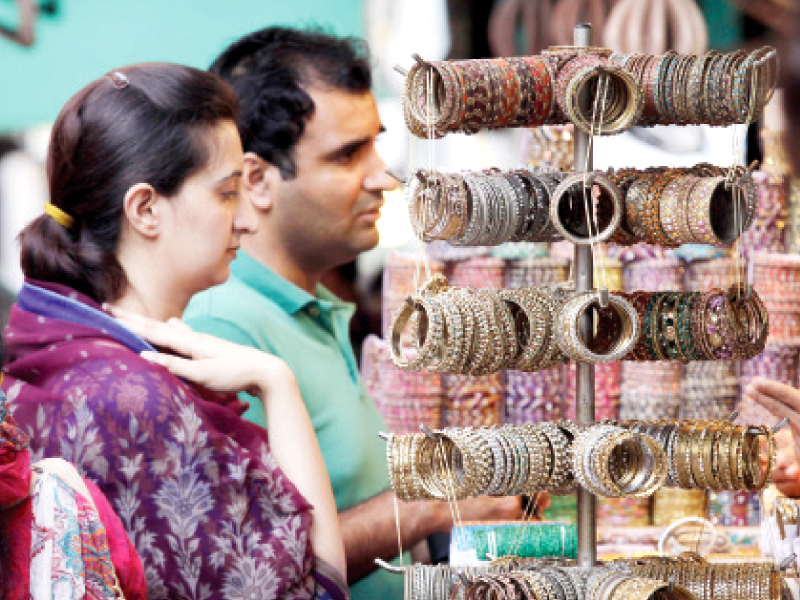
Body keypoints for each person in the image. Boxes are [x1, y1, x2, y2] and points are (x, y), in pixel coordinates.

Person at [183, 27, 527, 600]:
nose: (382, 177)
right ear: (256, 180)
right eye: (347, 155)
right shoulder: (223, 327)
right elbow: (243, 565)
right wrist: (429, 505)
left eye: (375, 145)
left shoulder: (314, 311)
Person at [1, 63, 347, 600]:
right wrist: (277, 383)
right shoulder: (133, 399)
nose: (248, 221)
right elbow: (320, 588)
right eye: (227, 193)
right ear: (144, 209)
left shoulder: (54, 343)